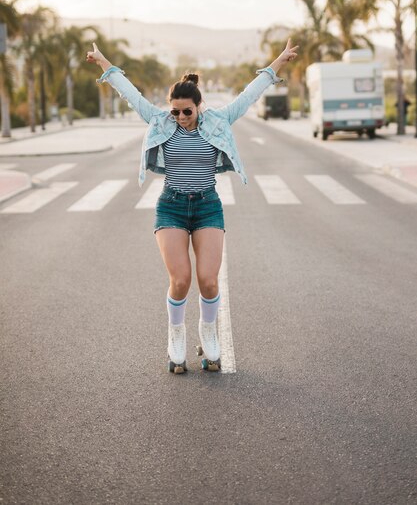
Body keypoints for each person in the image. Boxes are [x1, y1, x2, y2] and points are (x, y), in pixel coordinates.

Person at [86, 39, 299, 374]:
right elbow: (130, 93)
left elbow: (250, 93)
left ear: (200, 106)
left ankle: (209, 331)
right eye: (176, 111)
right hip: (170, 206)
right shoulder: (161, 121)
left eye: (187, 111)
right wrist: (103, 64)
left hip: (207, 206)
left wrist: (280, 62)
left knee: (209, 281)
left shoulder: (219, 120)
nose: (181, 117)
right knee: (182, 279)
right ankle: (175, 336)